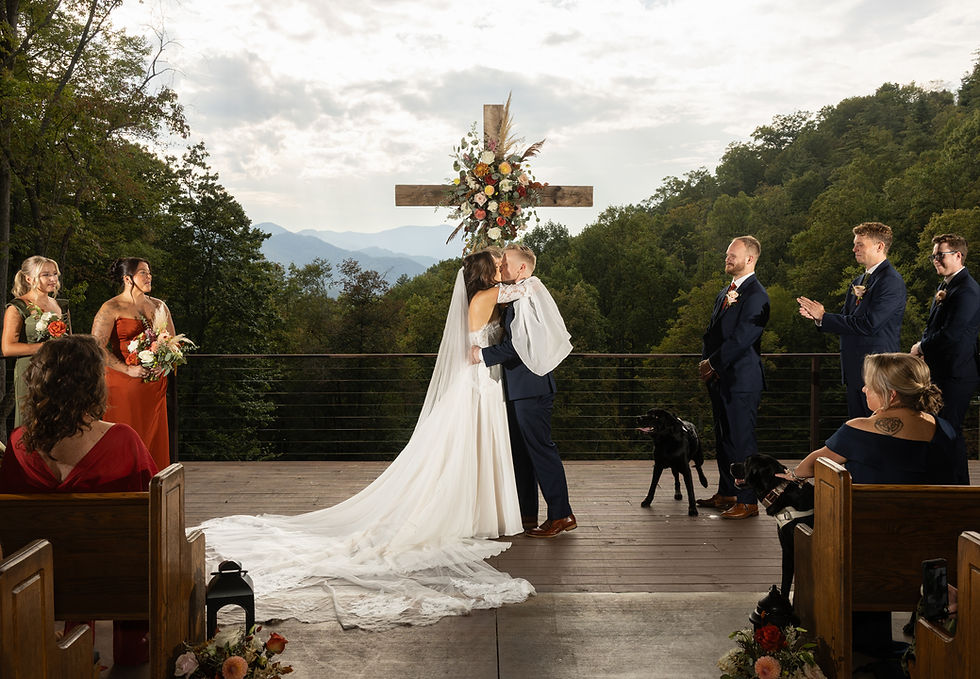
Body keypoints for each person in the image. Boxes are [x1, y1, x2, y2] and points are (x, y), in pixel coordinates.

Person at [196, 250, 535, 630]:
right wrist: (527, 273)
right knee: (470, 445)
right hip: (479, 384)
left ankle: (476, 509)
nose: (502, 267)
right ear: (488, 273)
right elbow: (526, 290)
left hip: (476, 378)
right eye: (497, 262)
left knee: (461, 448)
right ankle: (474, 511)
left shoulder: (477, 296)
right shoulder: (491, 296)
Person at [780, 352, 956, 660]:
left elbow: (807, 468)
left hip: (866, 567)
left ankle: (860, 647)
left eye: (868, 385)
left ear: (890, 394)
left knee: (806, 530)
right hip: (934, 566)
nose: (863, 390)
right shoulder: (946, 432)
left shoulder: (859, 431)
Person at [0, 334, 159, 664]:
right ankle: (131, 654)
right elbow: (155, 516)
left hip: (37, 582)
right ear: (93, 382)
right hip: (116, 581)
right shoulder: (123, 440)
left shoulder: (17, 444)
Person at [472, 243, 575, 538]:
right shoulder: (522, 293)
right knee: (523, 453)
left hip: (531, 387)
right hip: (521, 387)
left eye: (505, 265)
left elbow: (519, 345)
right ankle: (527, 513)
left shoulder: (526, 295)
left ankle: (561, 514)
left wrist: (482, 355)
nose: (500, 269)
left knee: (541, 452)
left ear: (521, 268)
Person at [798, 222, 906, 418]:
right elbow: (846, 319)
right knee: (859, 432)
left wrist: (824, 316)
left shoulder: (891, 281)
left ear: (879, 246)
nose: (854, 248)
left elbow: (869, 324)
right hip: (855, 371)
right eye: (855, 244)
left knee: (877, 433)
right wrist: (820, 319)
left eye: (860, 244)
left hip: (877, 373)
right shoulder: (858, 281)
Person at [697, 236, 770, 520]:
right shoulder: (725, 291)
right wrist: (707, 363)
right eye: (727, 254)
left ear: (749, 259)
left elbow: (743, 339)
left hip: (742, 380)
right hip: (720, 379)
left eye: (732, 255)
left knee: (742, 441)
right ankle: (727, 492)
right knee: (724, 438)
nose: (727, 258)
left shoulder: (757, 296)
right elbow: (713, 332)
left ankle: (748, 500)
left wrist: (712, 362)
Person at [91, 258, 175, 471]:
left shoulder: (159, 306)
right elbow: (97, 347)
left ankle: (155, 490)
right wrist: (128, 369)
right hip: (123, 384)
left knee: (155, 439)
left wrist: (163, 366)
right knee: (127, 437)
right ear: (128, 279)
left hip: (154, 383)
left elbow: (174, 344)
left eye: (149, 272)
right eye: (143, 273)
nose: (149, 277)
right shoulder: (111, 307)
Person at [911, 233, 980, 485]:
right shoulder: (946, 286)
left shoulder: (968, 290)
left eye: (940, 255)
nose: (935, 260)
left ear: (958, 255)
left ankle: (959, 490)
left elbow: (951, 335)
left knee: (951, 432)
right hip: (941, 372)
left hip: (957, 374)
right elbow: (934, 327)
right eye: (934, 256)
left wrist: (920, 346)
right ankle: (943, 486)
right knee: (939, 431)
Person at [2, 256, 65, 427]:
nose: (53, 279)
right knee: (31, 421)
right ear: (29, 279)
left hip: (57, 371)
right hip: (31, 372)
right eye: (46, 275)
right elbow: (7, 348)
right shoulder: (17, 307)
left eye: (55, 274)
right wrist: (45, 347)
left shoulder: (57, 305)